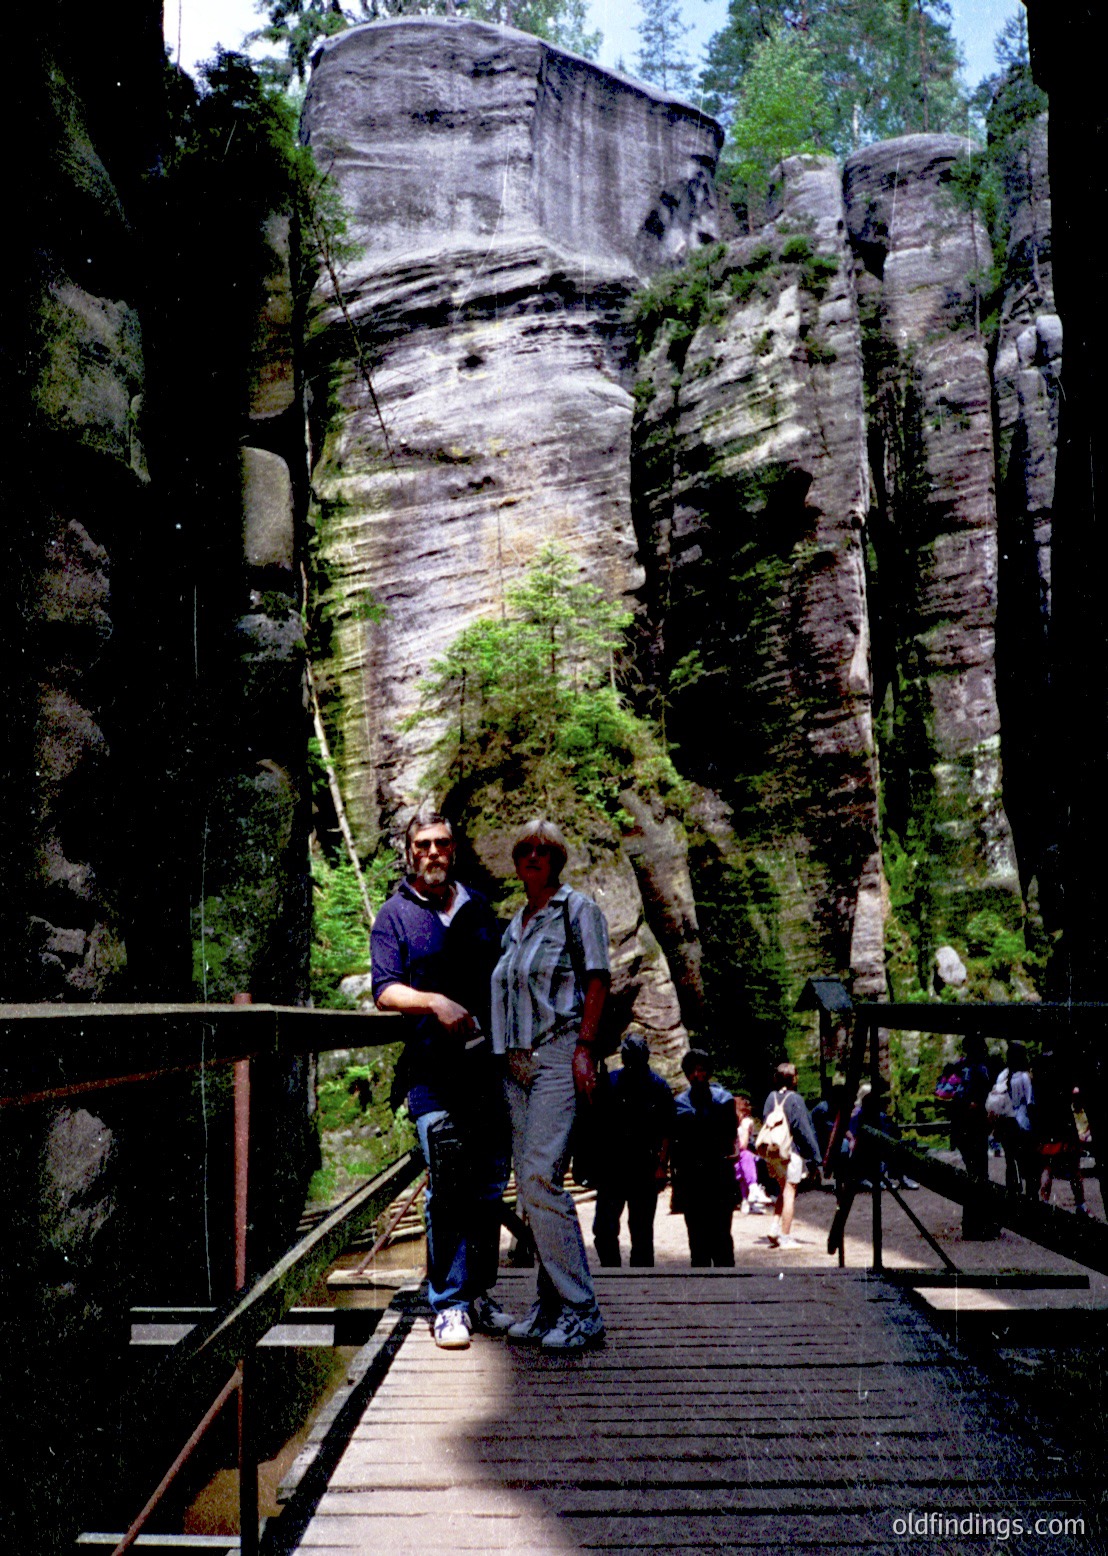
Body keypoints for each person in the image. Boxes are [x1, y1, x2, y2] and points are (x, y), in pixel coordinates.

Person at [371, 807, 509, 1350]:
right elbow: (385, 990)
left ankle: (477, 1293)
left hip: (486, 1070)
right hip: (431, 1073)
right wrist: (435, 1003)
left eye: (442, 844)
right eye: (423, 844)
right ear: (410, 852)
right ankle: (448, 1303)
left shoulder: (477, 908)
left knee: (490, 1184)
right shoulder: (395, 915)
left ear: (454, 851)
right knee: (448, 1179)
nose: (433, 853)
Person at [489, 818, 609, 1351]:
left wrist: (585, 1048)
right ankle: (550, 1304)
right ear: (516, 862)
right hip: (513, 1064)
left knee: (539, 1178)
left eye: (544, 850)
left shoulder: (578, 909)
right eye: (525, 850)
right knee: (533, 1181)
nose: (534, 857)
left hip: (559, 1051)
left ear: (556, 859)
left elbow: (597, 979)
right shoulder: (514, 923)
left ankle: (583, 1309)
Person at [592, 1032, 676, 1266]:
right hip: (613, 1168)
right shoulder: (610, 1082)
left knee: (641, 1231)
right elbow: (597, 1124)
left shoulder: (658, 1087)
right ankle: (612, 1271)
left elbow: (667, 1131)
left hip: (645, 1169)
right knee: (604, 1228)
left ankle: (642, 1279)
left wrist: (661, 1166)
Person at [671, 1050, 738, 1266]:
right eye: (693, 1070)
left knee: (722, 1236)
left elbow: (730, 1137)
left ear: (709, 1072)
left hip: (719, 1175)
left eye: (702, 1069)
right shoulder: (679, 1104)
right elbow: (675, 1144)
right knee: (696, 1238)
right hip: (691, 1178)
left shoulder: (724, 1101)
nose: (697, 1075)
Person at [762, 1062, 820, 1250]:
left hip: (773, 1152)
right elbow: (804, 1130)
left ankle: (774, 1227)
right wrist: (815, 1158)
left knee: (781, 1189)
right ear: (794, 1078)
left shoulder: (771, 1098)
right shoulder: (795, 1100)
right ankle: (785, 1237)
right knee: (789, 1193)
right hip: (790, 1152)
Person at [951, 1033, 998, 1239]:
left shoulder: (961, 1069)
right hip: (973, 1129)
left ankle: (974, 1224)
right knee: (978, 1175)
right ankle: (977, 1226)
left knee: (974, 1175)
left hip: (964, 1129)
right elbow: (977, 1101)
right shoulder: (979, 1070)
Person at [1032, 1048, 1091, 1216]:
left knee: (1047, 1166)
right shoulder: (1064, 1064)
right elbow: (1073, 1092)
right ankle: (1080, 1204)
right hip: (1063, 1121)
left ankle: (1043, 1204)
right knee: (1074, 1167)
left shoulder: (1038, 1067)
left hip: (1046, 1121)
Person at [993, 1041, 1035, 1197]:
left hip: (1006, 1122)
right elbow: (1030, 1102)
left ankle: (1012, 1192)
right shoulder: (1024, 1077)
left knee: (1010, 1161)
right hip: (1023, 1123)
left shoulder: (1002, 1076)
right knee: (1027, 1163)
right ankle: (1030, 1196)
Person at [734, 1095, 764, 1215]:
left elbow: (743, 1145)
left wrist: (745, 1129)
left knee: (745, 1158)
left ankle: (748, 1198)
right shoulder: (727, 1124)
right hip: (730, 1157)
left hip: (742, 1157)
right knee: (744, 1159)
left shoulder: (745, 1123)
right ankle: (751, 1191)